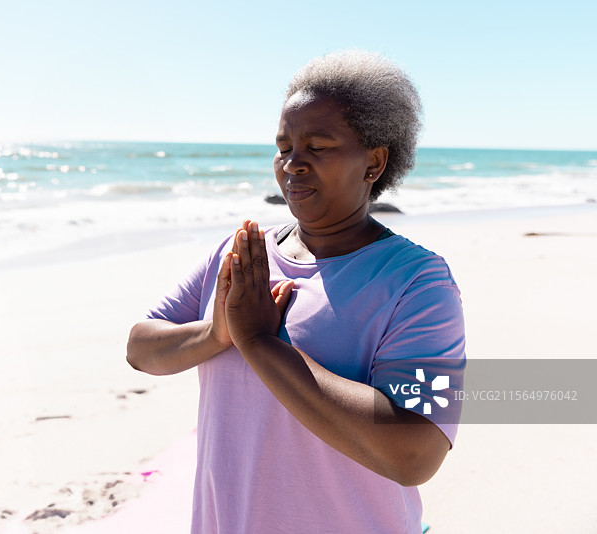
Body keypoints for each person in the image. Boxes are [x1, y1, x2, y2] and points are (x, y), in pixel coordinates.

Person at [126, 50, 465, 534]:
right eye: (283, 147)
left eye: (317, 145)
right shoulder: (242, 253)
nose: (292, 164)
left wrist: (260, 344)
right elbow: (140, 349)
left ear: (373, 162)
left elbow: (415, 454)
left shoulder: (417, 282)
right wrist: (215, 333)